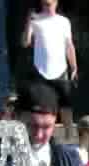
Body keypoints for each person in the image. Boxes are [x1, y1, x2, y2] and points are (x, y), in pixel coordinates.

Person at [20, 0, 77, 139]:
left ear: (56, 3)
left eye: (50, 4)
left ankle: (69, 136)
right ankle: (32, 136)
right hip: (41, 68)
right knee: (37, 104)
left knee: (65, 104)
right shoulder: (35, 20)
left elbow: (69, 45)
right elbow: (25, 43)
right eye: (45, 4)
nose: (47, 6)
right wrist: (28, 23)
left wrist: (74, 66)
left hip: (60, 68)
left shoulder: (64, 21)